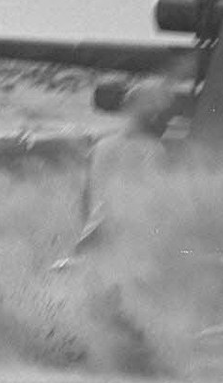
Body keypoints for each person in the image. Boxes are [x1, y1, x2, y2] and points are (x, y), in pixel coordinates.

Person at [69, 79, 175, 255]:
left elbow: (85, 199)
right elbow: (156, 203)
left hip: (93, 235)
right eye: (164, 116)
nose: (166, 123)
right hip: (128, 240)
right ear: (154, 116)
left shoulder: (101, 145)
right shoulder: (152, 149)